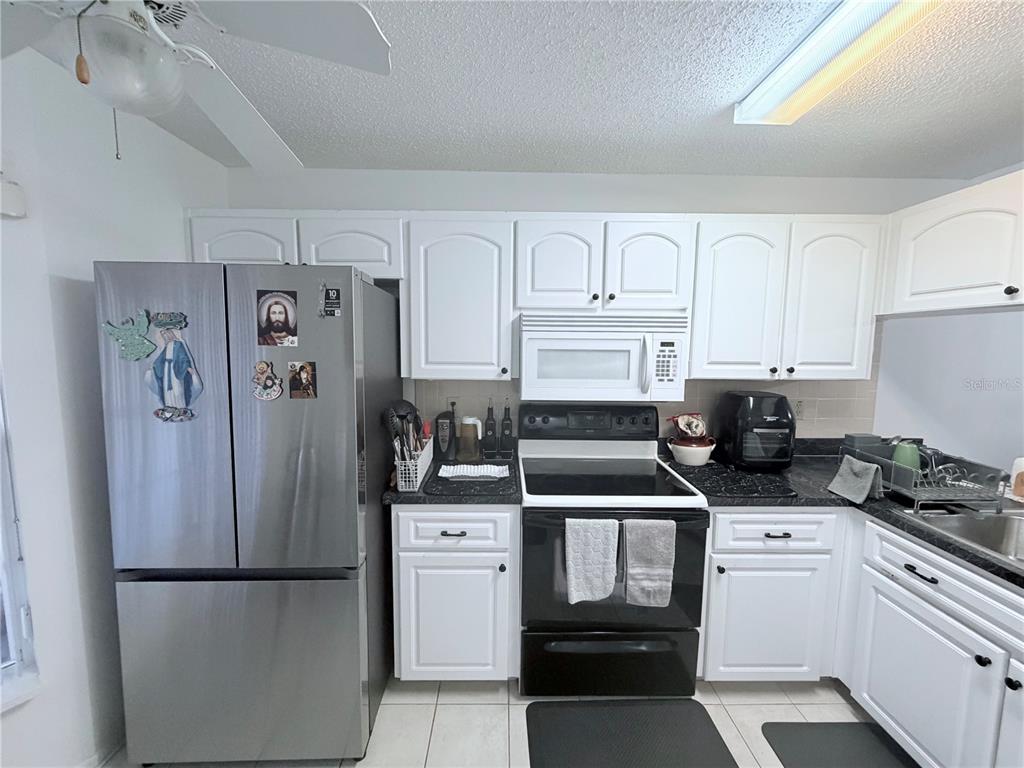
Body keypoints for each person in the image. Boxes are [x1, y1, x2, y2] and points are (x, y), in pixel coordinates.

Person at [146, 328, 203, 420]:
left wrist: (188, 367)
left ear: (171, 334)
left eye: (166, 335)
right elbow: (161, 357)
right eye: (164, 336)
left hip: (176, 370)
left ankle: (180, 406)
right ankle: (169, 405)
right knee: (167, 390)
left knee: (178, 388)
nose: (165, 337)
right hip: (167, 370)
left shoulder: (178, 344)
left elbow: (183, 356)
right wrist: (155, 365)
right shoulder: (167, 345)